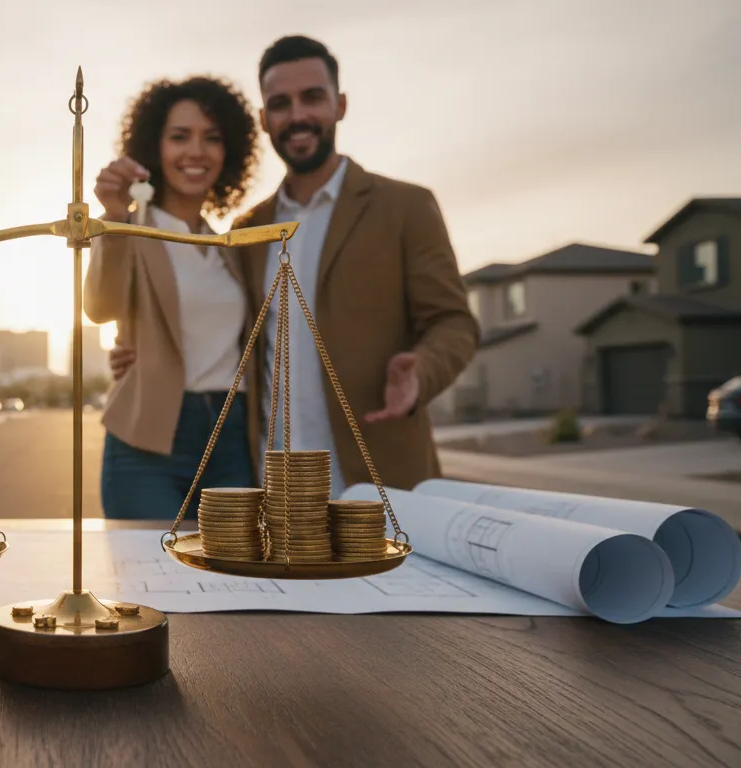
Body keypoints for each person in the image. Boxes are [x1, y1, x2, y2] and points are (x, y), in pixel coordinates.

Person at [109, 36, 479, 499]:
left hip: (378, 479)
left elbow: (454, 322)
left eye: (313, 97)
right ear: (264, 120)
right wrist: (135, 350)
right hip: (269, 485)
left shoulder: (406, 207)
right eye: (280, 104)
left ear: (340, 105)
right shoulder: (246, 231)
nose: (298, 116)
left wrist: (422, 369)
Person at [84, 75, 263, 519]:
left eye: (212, 138)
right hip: (148, 440)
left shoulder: (234, 248)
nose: (196, 151)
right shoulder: (135, 228)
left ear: (230, 151)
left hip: (232, 437)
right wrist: (111, 216)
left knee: (231, 582)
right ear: (154, 146)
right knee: (152, 583)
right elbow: (100, 307)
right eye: (179, 137)